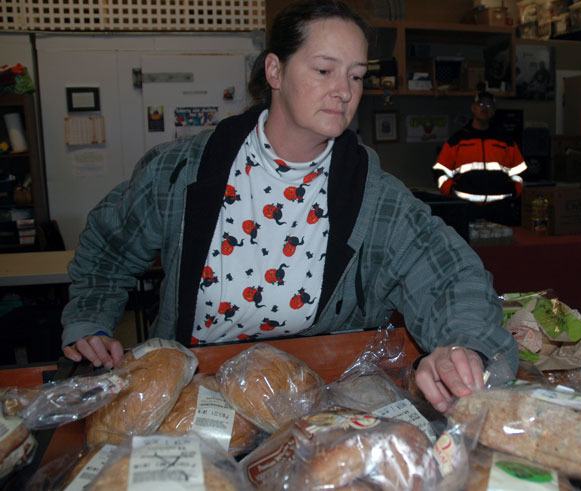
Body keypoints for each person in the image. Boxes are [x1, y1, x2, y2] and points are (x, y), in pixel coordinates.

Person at [61, 0, 517, 414]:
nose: (344, 91)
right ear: (275, 72)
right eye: (324, 70)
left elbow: (449, 276)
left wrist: (464, 348)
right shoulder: (184, 172)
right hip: (192, 400)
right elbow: (109, 244)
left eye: (356, 75)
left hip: (317, 400)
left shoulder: (375, 198)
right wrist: (90, 319)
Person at [433, 90, 527, 224]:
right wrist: (451, 191)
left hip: (500, 211)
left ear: (494, 110)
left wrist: (514, 191)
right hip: (466, 210)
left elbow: (520, 171)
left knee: (502, 245)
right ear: (473, 108)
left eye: (489, 105)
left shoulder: (506, 141)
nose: (484, 108)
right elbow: (440, 171)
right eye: (481, 104)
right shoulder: (458, 140)